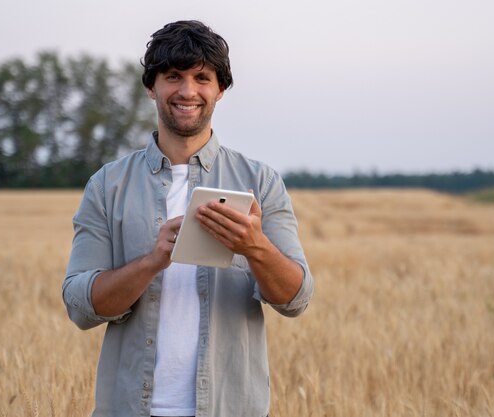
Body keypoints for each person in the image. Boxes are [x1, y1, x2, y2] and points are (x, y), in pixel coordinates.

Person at [62, 20, 313, 417]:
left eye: (202, 78)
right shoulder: (107, 185)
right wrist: (152, 262)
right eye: (172, 76)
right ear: (151, 86)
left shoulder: (259, 183)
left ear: (221, 89)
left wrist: (255, 247)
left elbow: (296, 299)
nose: (187, 91)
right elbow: (80, 306)